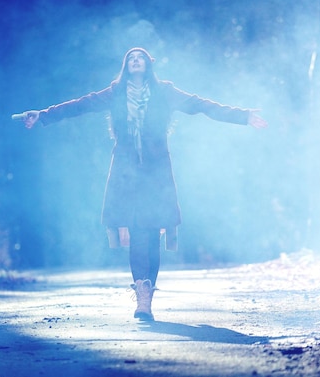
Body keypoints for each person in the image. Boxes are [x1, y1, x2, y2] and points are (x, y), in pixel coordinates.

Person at [14, 47, 268, 321]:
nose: (136, 61)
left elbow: (201, 105)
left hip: (156, 172)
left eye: (141, 58)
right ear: (126, 66)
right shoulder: (115, 93)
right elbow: (80, 105)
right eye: (131, 58)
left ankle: (147, 292)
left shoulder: (165, 92)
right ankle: (142, 295)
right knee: (136, 230)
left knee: (151, 231)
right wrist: (43, 114)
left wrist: (242, 116)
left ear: (148, 65)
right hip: (126, 172)